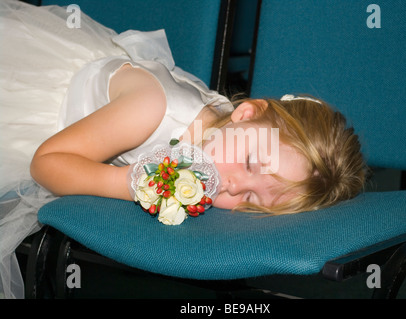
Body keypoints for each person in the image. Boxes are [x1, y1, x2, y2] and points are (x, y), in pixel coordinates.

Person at [0, 0, 367, 298]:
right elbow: (46, 163)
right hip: (25, 104)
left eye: (253, 199)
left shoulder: (224, 133)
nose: (235, 186)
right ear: (246, 113)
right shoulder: (152, 109)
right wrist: (133, 184)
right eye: (252, 162)